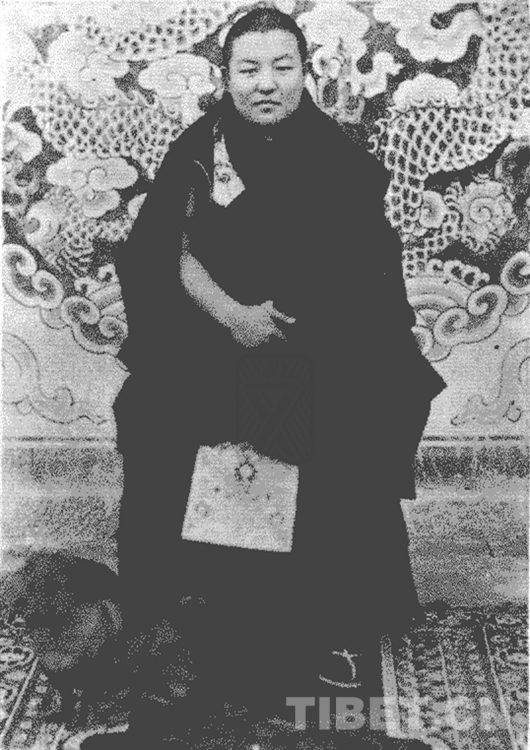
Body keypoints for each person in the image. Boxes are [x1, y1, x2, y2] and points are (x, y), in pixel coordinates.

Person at [85, 6, 446, 747]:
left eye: (283, 66)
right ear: (225, 77)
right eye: (248, 69)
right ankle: (195, 651)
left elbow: (366, 277)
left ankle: (315, 657)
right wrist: (232, 317)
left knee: (314, 443)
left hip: (313, 348)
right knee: (163, 430)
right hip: (212, 339)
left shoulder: (338, 158)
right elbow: (169, 250)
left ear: (306, 73)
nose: (266, 83)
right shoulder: (201, 147)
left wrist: (296, 340)